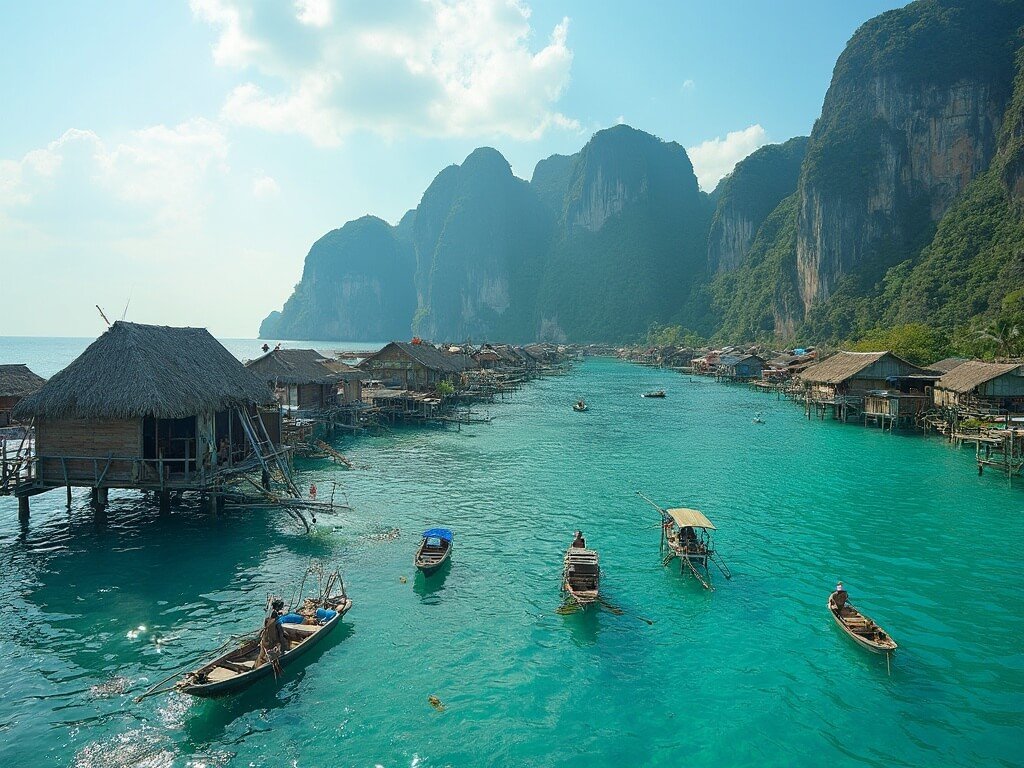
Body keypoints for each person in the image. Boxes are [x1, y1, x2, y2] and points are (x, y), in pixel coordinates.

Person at [256, 599, 288, 674]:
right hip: (272, 645)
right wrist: (284, 649)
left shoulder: (268, 617)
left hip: (265, 642)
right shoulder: (277, 622)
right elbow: (280, 635)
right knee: (285, 641)